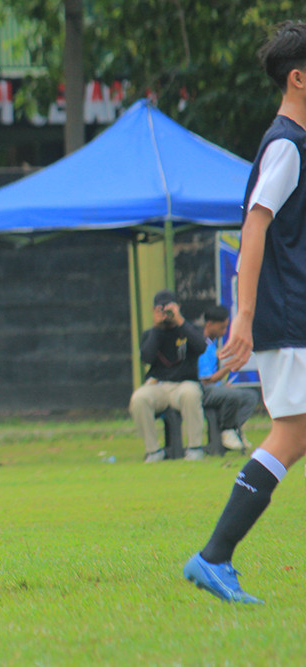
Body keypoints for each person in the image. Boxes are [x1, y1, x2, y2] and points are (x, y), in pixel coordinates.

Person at [183, 21, 306, 604]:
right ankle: (213, 556)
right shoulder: (286, 144)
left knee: (295, 433)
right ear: (298, 78)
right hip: (288, 316)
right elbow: (253, 228)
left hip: (293, 313)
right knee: (291, 433)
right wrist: (242, 315)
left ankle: (214, 556)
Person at [129, 289, 207, 462]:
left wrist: (179, 320)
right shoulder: (150, 334)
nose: (166, 313)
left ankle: (195, 447)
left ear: (178, 307)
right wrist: (158, 326)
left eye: (169, 308)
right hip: (159, 385)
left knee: (190, 394)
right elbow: (147, 357)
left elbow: (201, 346)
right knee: (139, 398)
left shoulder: (189, 329)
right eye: (161, 309)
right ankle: (153, 450)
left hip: (184, 383)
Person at [198, 305, 258, 451]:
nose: (224, 332)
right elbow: (206, 380)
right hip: (203, 389)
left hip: (215, 387)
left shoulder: (212, 345)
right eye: (221, 328)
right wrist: (230, 366)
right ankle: (227, 430)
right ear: (209, 324)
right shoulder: (201, 345)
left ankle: (233, 428)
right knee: (233, 395)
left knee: (250, 397)